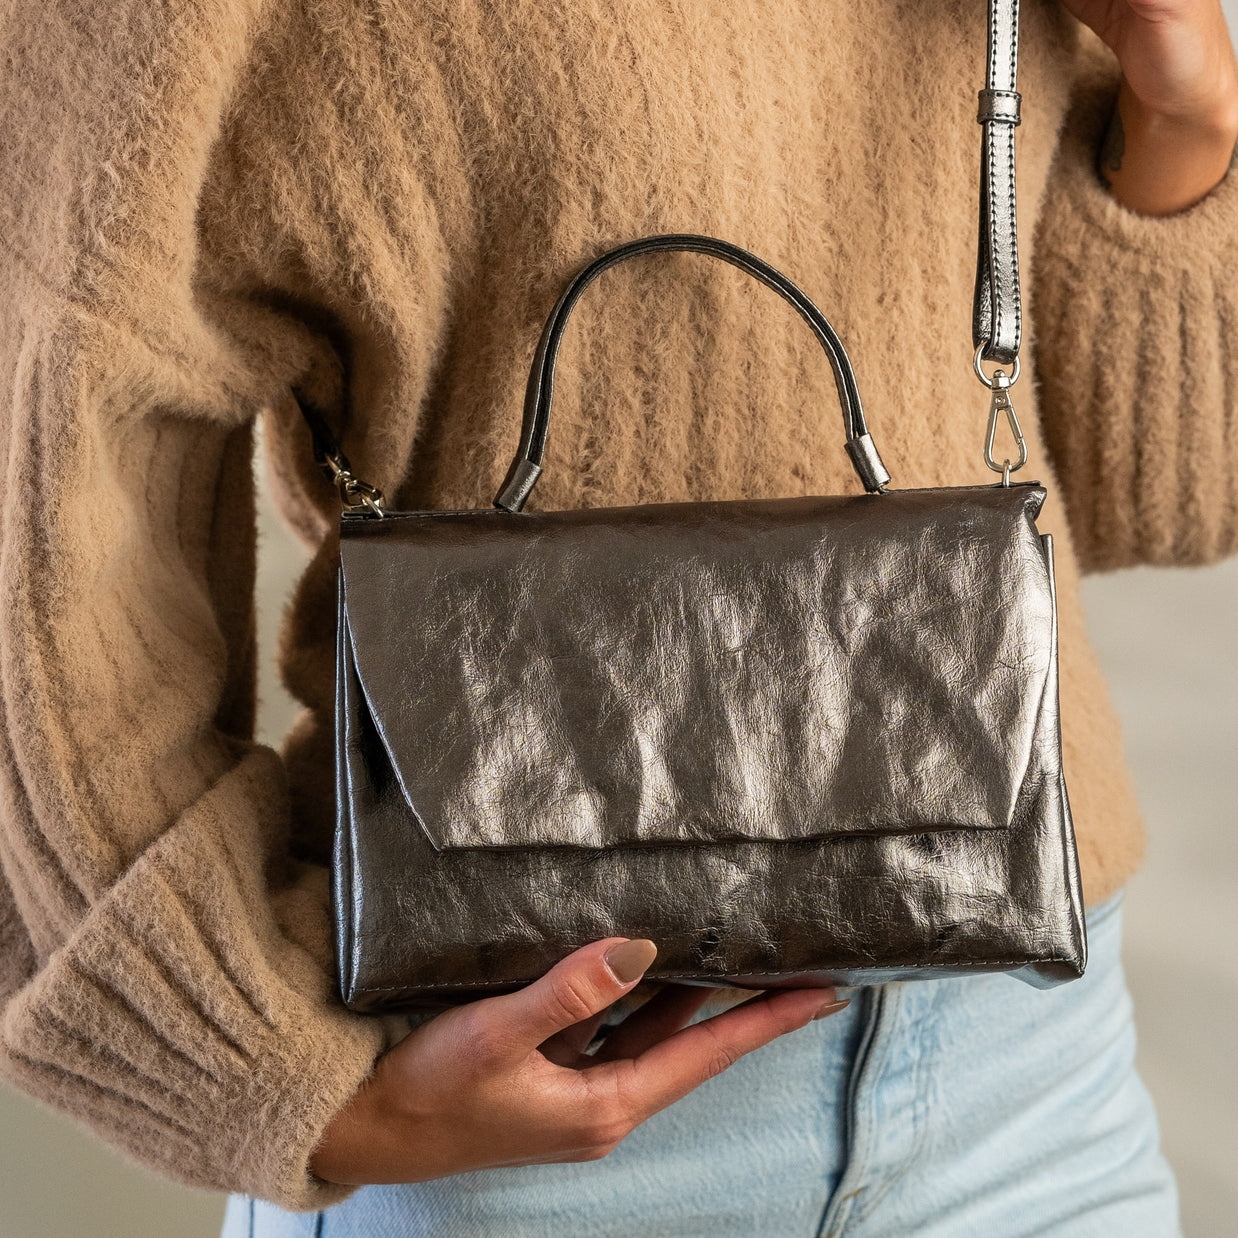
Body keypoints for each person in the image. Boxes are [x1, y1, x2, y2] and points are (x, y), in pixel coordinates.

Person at [1, 1, 1234, 1234]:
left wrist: (1183, 119)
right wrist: (265, 1067)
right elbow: (57, 471)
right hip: (513, 1121)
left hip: (1029, 1081)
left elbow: (1130, 489)